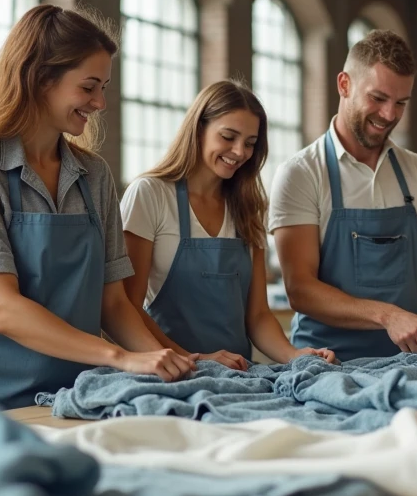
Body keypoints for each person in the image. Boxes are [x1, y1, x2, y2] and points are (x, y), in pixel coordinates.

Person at [0, 5, 194, 409]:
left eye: (104, 87)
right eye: (89, 86)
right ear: (42, 79)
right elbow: (3, 309)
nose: (100, 103)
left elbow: (113, 304)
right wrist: (122, 358)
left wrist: (170, 366)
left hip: (72, 395)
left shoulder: (94, 174)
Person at [271, 29, 417, 362]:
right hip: (328, 362)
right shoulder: (301, 173)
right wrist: (388, 315)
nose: (390, 115)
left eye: (400, 103)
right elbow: (300, 289)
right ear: (344, 84)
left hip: (411, 362)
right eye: (377, 98)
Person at [119, 80, 336, 367]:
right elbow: (128, 308)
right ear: (198, 129)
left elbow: (257, 315)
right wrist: (196, 360)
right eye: (228, 136)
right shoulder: (150, 194)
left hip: (237, 376)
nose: (239, 152)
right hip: (170, 372)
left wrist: (295, 356)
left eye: (250, 143)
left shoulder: (248, 207)